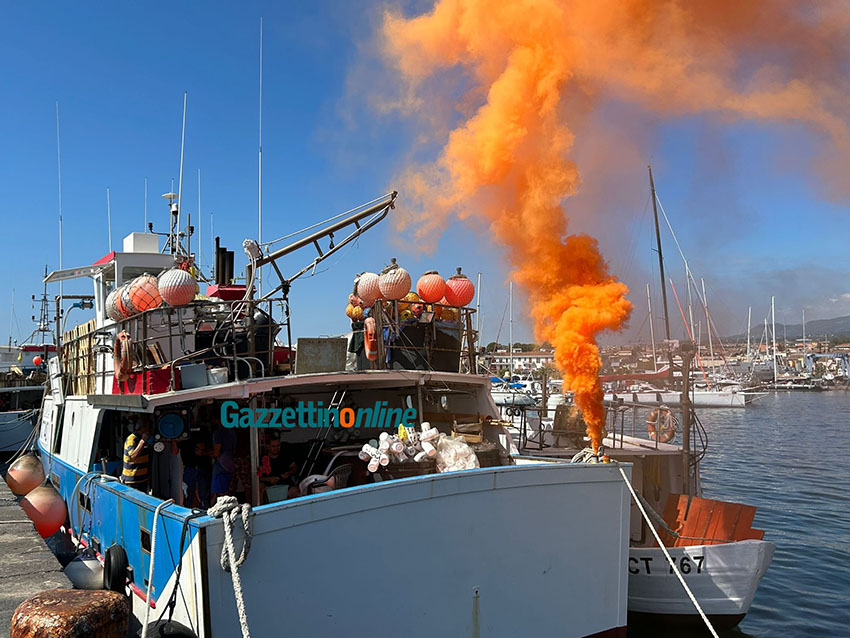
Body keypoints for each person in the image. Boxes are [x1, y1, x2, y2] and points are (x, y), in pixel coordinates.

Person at [180, 431, 211, 508]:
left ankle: (205, 510)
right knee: (188, 492)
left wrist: (203, 451)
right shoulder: (183, 434)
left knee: (204, 493)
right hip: (190, 467)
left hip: (202, 467)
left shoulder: (204, 433)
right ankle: (187, 510)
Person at [122, 420, 152, 491]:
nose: (150, 430)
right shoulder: (131, 439)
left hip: (143, 479)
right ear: (142, 428)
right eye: (149, 427)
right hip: (132, 480)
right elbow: (133, 456)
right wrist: (142, 442)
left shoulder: (147, 438)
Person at [210, 423, 236, 502]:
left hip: (221, 466)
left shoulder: (218, 433)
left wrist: (204, 453)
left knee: (220, 495)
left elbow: (216, 452)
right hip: (231, 465)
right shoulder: (232, 432)